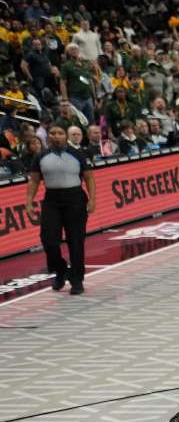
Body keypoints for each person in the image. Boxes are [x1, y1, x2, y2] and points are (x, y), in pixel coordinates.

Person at [25, 125, 95, 295]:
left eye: (60, 133)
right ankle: (61, 270)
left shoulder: (77, 154)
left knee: (76, 241)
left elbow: (88, 177)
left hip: (75, 199)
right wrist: (29, 202)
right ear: (47, 136)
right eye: (53, 133)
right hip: (52, 201)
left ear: (66, 136)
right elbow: (34, 181)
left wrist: (92, 199)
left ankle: (77, 279)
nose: (56, 136)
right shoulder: (40, 157)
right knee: (48, 240)